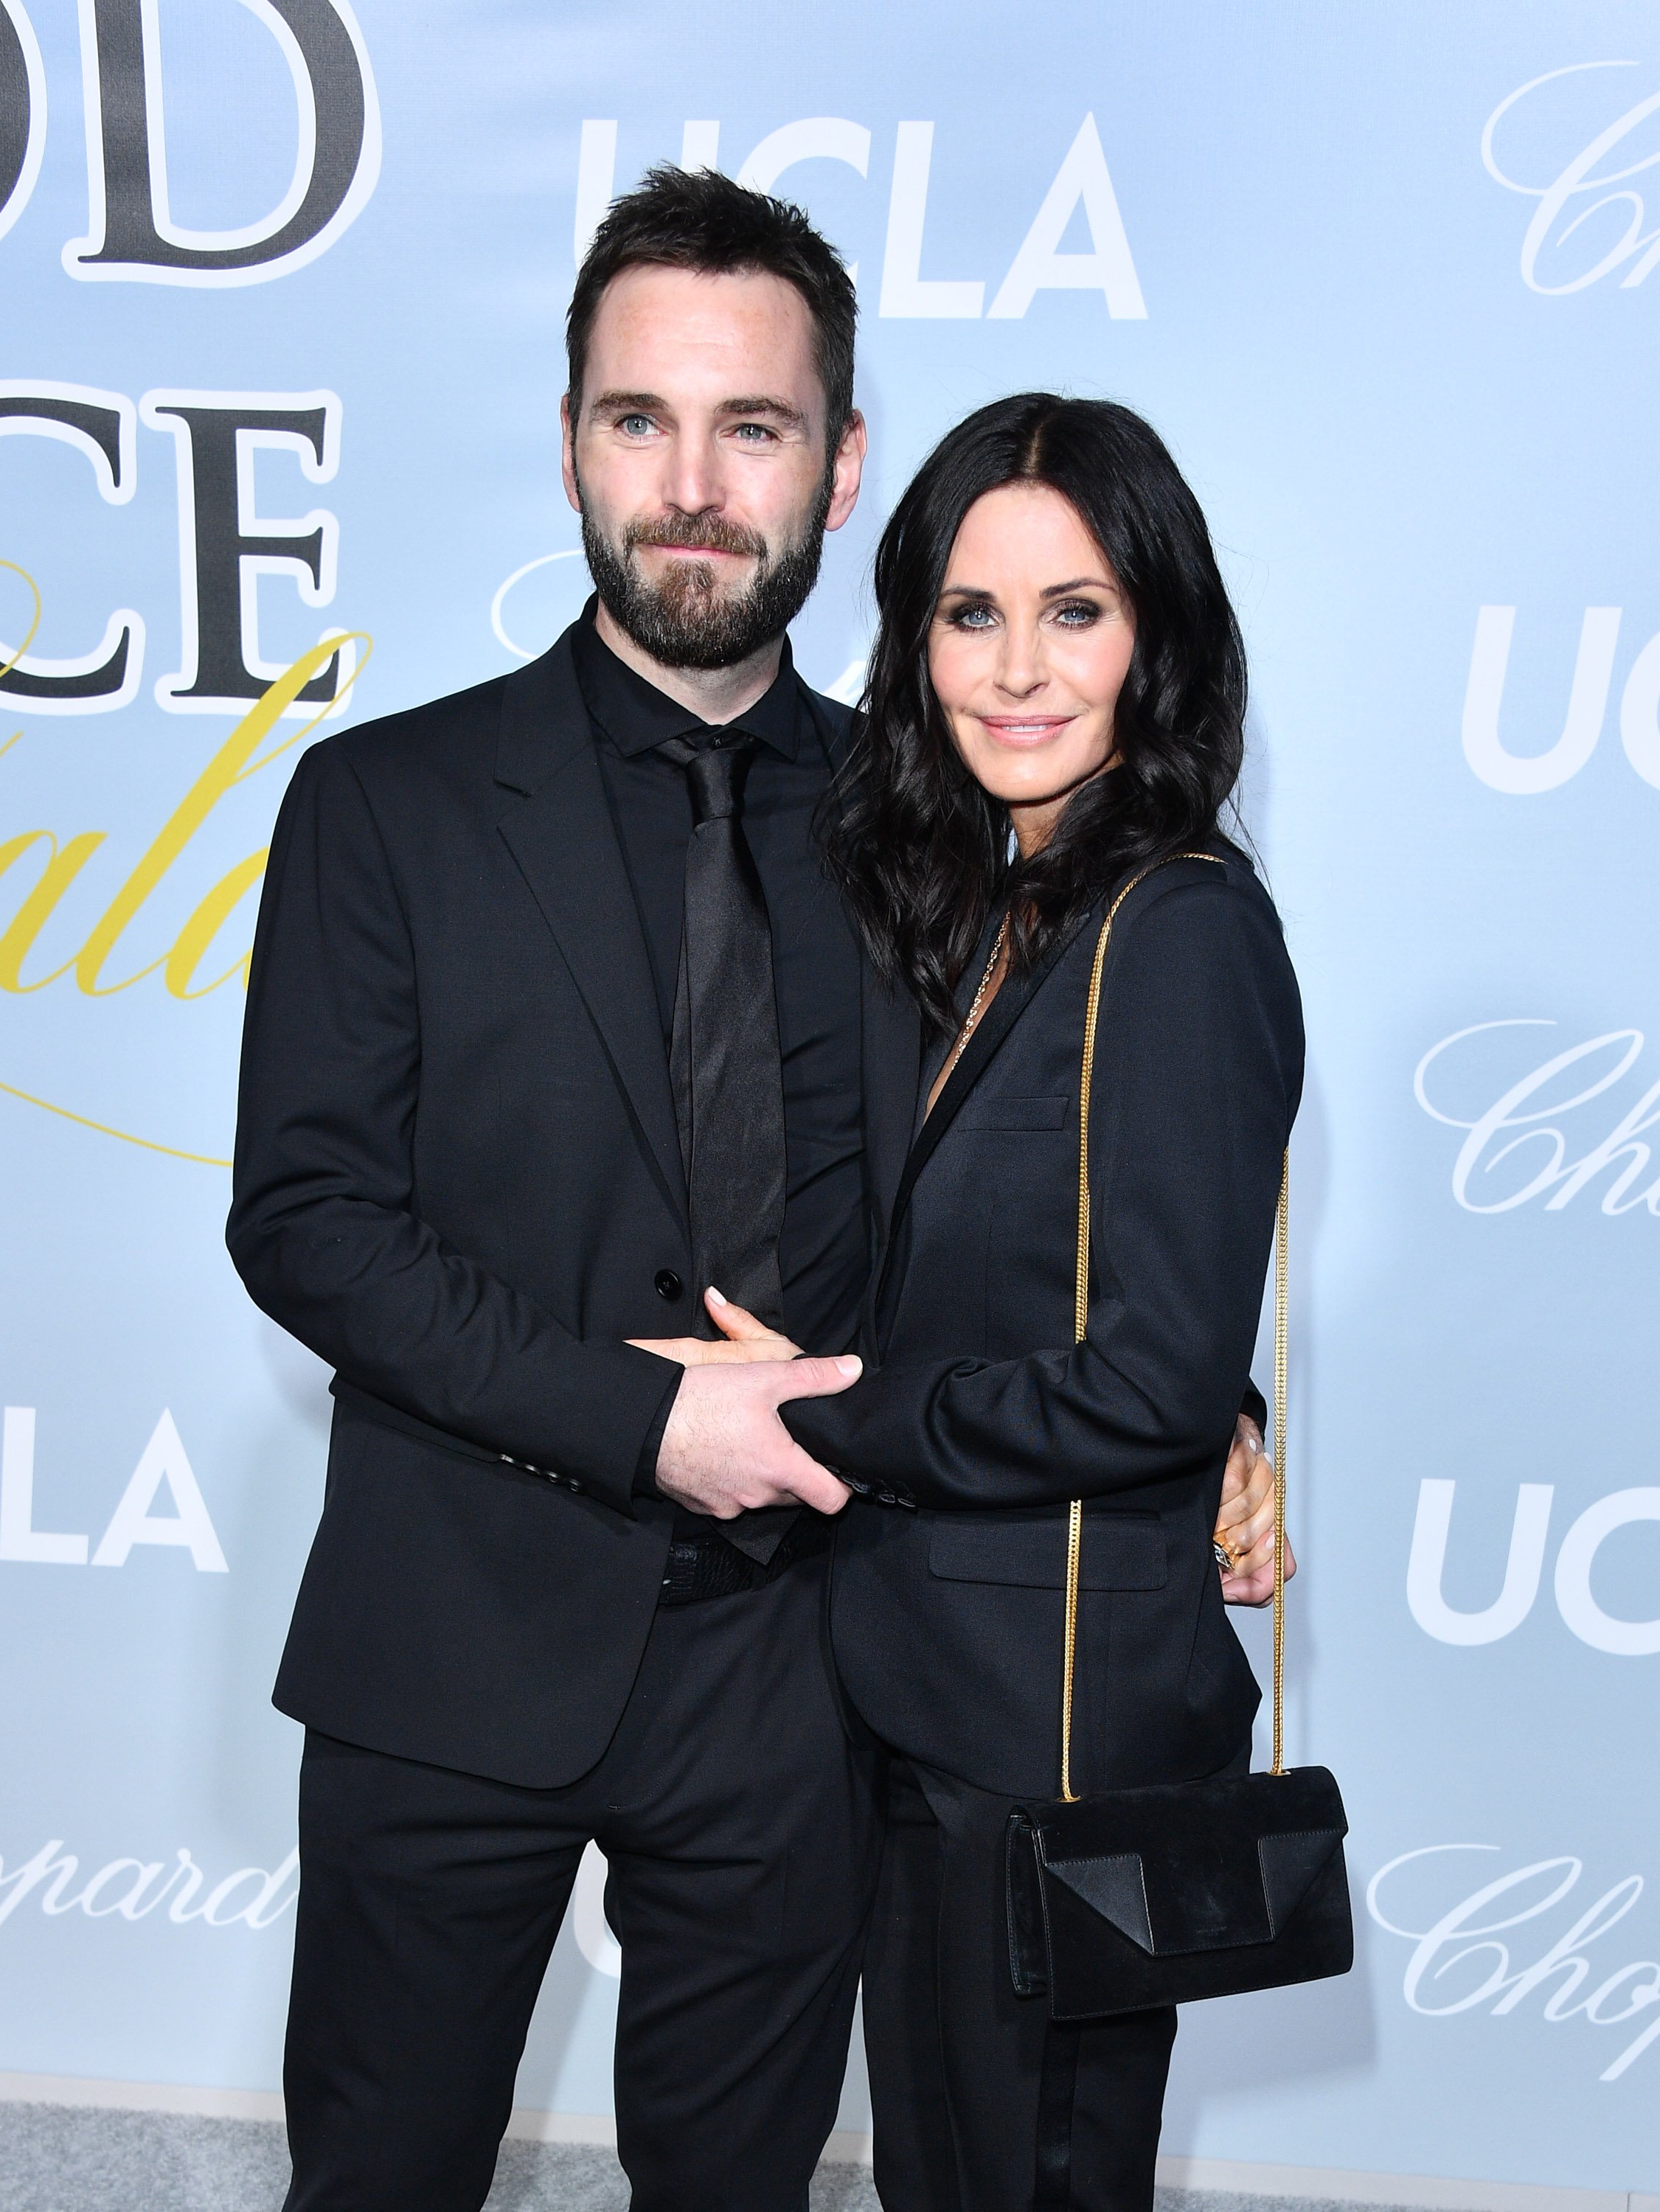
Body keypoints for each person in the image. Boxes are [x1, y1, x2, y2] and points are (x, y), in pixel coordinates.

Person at [229, 159, 1279, 2212]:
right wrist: (652, 1418)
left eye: (755, 426)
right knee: (380, 2175)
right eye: (641, 418)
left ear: (840, 460)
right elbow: (308, 1224)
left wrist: (1203, 1410)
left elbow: (1034, 1194)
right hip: (451, 1639)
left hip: (809, 1669)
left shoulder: (940, 823)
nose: (694, 483)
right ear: (566, 445)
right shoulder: (384, 804)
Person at [692, 394, 1302, 2210]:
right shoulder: (994, 906)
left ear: (1156, 636)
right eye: (971, 613)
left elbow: (1148, 1376)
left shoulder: (1175, 929)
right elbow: (1066, 1277)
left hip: (1052, 1750)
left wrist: (820, 1413)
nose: (1016, 670)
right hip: (941, 1712)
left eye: (1076, 610)